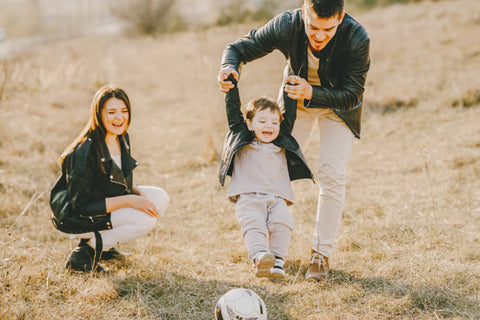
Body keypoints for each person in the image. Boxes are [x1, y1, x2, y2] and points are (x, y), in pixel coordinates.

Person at [218, 0, 370, 281]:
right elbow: (238, 48)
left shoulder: (356, 37)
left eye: (329, 29)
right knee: (275, 166)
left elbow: (352, 94)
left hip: (338, 109)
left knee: (331, 175)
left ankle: (320, 254)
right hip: (294, 105)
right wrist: (230, 68)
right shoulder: (286, 25)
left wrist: (312, 91)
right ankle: (265, 250)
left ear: (341, 18)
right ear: (303, 14)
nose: (320, 36)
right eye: (313, 27)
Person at [50, 85, 169, 273]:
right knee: (145, 221)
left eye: (124, 111)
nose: (119, 118)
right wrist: (131, 200)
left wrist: (138, 192)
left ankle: (105, 247)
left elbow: (112, 180)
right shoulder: (85, 151)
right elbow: (81, 206)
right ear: (99, 114)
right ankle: (84, 254)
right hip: (76, 217)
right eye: (112, 112)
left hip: (100, 204)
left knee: (160, 197)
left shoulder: (122, 137)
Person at [219, 75, 313, 279]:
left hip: (277, 196)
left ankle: (278, 262)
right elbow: (233, 111)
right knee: (254, 226)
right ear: (250, 123)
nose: (269, 126)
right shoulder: (242, 136)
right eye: (262, 121)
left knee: (282, 224)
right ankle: (260, 257)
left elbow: (289, 111)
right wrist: (230, 86)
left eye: (274, 122)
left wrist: (291, 83)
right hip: (248, 196)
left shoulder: (281, 140)